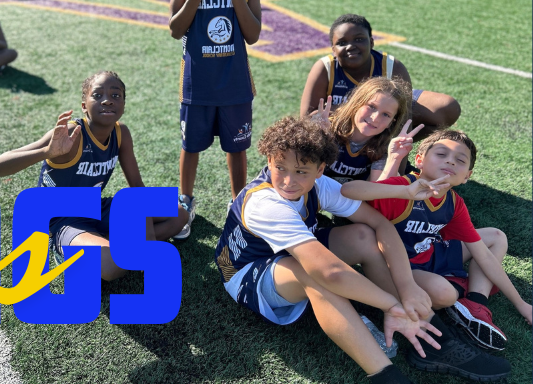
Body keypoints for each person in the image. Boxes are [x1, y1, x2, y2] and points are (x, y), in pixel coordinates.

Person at [213, 116, 506, 383]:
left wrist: (406, 288)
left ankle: (430, 336)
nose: (289, 180)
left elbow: (381, 225)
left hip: (291, 254)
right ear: (269, 158)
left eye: (301, 171)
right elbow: (329, 271)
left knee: (363, 235)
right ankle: (384, 374)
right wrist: (391, 305)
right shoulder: (266, 204)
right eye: (279, 167)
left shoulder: (320, 185)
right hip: (248, 273)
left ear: (320, 170)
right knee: (314, 276)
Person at [342, 129, 530, 359]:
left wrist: (523, 305)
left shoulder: (453, 202)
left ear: (466, 176)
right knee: (445, 294)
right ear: (419, 160)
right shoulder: (403, 187)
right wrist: (400, 180)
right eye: (441, 154)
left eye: (460, 160)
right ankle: (460, 287)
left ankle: (475, 302)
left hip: (431, 252)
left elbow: (483, 254)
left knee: (495, 237)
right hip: (401, 269)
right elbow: (349, 191)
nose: (450, 160)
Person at [0, 71, 190, 279]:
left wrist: (141, 216)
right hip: (65, 218)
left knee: (179, 215)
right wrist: (46, 152)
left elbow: (137, 186)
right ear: (84, 105)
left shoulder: (121, 134)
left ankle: (102, 244)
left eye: (115, 96)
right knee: (112, 268)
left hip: (96, 207)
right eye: (97, 95)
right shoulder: (70, 134)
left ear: (123, 105)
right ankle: (68, 250)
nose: (107, 101)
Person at [168, 0, 262, 239]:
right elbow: (176, 29)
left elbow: (252, 35)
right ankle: (185, 203)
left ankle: (237, 204)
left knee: (237, 149)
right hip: (198, 82)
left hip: (236, 82)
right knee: (190, 147)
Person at [301, 14, 461, 140]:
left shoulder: (392, 66)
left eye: (359, 39)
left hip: (381, 121)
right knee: (318, 119)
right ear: (333, 49)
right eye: (342, 43)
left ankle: (382, 148)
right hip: (339, 129)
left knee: (447, 107)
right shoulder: (325, 68)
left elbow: (404, 120)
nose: (351, 46)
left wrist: (398, 165)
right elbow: (306, 120)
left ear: (371, 42)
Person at [309, 77, 415, 184]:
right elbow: (299, 169)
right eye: (372, 106)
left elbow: (377, 193)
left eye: (386, 114)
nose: (375, 118)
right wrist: (316, 136)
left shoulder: (384, 146)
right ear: (357, 103)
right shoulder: (327, 125)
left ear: (391, 122)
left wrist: (394, 159)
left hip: (353, 197)